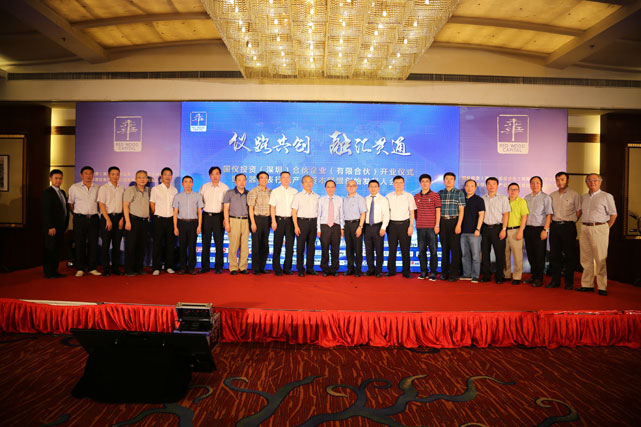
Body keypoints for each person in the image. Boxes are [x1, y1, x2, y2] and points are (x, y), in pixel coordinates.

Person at [576, 173, 617, 296]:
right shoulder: (584, 197)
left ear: (600, 182)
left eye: (595, 180)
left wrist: (606, 228)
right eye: (589, 180)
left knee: (600, 259)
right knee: (585, 259)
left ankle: (602, 286)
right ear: (586, 183)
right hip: (585, 228)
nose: (592, 182)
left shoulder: (606, 196)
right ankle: (587, 285)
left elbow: (613, 214)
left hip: (599, 228)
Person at [548, 172, 582, 289]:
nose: (560, 182)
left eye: (562, 179)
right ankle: (555, 281)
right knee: (554, 255)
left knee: (569, 255)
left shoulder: (575, 194)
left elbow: (579, 211)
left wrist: (572, 221)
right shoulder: (552, 195)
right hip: (554, 226)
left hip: (568, 227)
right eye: (557, 180)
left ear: (567, 180)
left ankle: (569, 282)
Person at [68, 166, 101, 277]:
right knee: (79, 243)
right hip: (79, 219)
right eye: (86, 173)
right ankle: (80, 268)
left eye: (90, 173)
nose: (88, 176)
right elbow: (70, 203)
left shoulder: (98, 188)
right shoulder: (74, 187)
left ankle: (92, 268)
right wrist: (77, 214)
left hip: (94, 218)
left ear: (93, 175)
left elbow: (100, 204)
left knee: (93, 244)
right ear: (81, 175)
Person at [523, 176, 553, 287]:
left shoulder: (546, 198)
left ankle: (539, 278)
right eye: (533, 183)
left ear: (541, 185)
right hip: (528, 228)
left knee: (539, 255)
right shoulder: (526, 198)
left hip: (540, 229)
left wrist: (545, 229)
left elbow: (549, 214)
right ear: (530, 184)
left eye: (537, 183)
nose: (535, 185)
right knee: (530, 254)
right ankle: (534, 275)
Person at [481, 177, 511, 284]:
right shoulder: (482, 198)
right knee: (485, 253)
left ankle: (499, 276)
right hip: (485, 228)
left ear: (497, 185)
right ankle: (486, 275)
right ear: (486, 186)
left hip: (498, 228)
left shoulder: (503, 198)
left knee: (499, 254)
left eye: (494, 184)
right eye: (489, 184)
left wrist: (504, 229)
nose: (491, 186)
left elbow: (506, 214)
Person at [199, 166, 228, 274]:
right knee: (205, 243)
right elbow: (200, 204)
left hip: (219, 217)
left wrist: (225, 219)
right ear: (210, 175)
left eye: (217, 174)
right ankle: (205, 267)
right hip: (206, 216)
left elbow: (226, 205)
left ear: (220, 175)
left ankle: (219, 266)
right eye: (213, 174)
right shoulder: (204, 187)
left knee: (219, 243)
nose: (215, 176)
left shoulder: (225, 188)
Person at [386, 176, 416, 278]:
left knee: (405, 249)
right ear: (393, 184)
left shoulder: (408, 196)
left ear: (403, 184)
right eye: (396, 182)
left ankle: (406, 271)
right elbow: (386, 212)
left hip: (405, 225)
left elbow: (412, 212)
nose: (398, 184)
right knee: (392, 249)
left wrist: (411, 226)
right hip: (391, 225)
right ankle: (391, 270)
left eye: (400, 182)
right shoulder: (388, 196)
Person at [437, 172, 466, 282]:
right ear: (444, 181)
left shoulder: (459, 193)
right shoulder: (440, 193)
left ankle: (454, 274)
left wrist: (459, 225)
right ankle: (444, 273)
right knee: (444, 249)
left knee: (455, 249)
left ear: (454, 181)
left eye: (451, 179)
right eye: (447, 179)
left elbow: (461, 210)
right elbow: (437, 210)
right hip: (443, 222)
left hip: (454, 222)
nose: (449, 181)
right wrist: (438, 224)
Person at [173, 175, 203, 275]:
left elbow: (199, 212)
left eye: (190, 182)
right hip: (181, 223)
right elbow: (175, 213)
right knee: (182, 246)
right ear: (182, 184)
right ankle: (182, 267)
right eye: (186, 182)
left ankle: (191, 268)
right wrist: (175, 227)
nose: (188, 184)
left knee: (192, 246)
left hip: (193, 223)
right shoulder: (178, 196)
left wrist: (199, 225)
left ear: (192, 184)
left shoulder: (197, 196)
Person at [97, 166, 124, 276]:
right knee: (106, 244)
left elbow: (125, 205)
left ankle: (116, 268)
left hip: (119, 218)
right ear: (108, 175)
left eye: (117, 174)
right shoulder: (103, 188)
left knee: (117, 244)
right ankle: (106, 268)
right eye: (113, 174)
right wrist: (107, 219)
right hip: (107, 217)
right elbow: (101, 204)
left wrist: (122, 218)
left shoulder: (122, 189)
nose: (115, 176)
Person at [150, 167, 178, 275]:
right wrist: (157, 214)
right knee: (157, 243)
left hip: (170, 219)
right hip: (159, 219)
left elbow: (175, 206)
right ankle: (156, 267)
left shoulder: (174, 190)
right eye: (165, 174)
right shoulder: (155, 189)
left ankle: (169, 266)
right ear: (161, 176)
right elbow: (152, 204)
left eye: (169, 174)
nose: (167, 177)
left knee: (170, 244)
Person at [269, 171, 298, 276]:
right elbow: (272, 207)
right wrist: (273, 221)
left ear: (290, 179)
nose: (286, 179)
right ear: (280, 179)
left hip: (290, 221)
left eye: (288, 177)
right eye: (283, 177)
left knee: (290, 246)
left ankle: (287, 268)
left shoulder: (295, 192)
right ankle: (277, 268)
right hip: (279, 220)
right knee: (277, 245)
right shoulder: (275, 191)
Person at [42, 169, 69, 278]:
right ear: (50, 179)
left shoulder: (62, 192)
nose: (58, 180)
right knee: (50, 249)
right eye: (56, 178)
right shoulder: (47, 193)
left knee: (57, 249)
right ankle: (48, 272)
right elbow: (46, 211)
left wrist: (65, 225)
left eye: (60, 178)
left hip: (61, 227)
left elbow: (65, 210)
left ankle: (54, 271)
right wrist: (50, 226)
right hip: (52, 227)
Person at [123, 170, 151, 276]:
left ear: (147, 179)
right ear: (135, 179)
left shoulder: (148, 190)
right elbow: (125, 205)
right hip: (133, 221)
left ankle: (139, 268)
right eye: (140, 177)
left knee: (142, 246)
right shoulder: (130, 190)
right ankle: (129, 270)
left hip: (144, 222)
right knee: (131, 246)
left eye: (144, 177)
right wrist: (127, 221)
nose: (142, 179)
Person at [414, 174, 441, 281]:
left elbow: (438, 211)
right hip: (420, 228)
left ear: (430, 183)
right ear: (420, 183)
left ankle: (433, 272)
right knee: (421, 251)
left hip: (432, 228)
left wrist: (437, 225)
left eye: (427, 181)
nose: (425, 183)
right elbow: (414, 213)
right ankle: (423, 271)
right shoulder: (416, 197)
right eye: (423, 181)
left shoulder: (435, 195)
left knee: (433, 251)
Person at [292, 175, 320, 277]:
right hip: (302, 222)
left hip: (313, 223)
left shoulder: (317, 197)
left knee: (311, 247)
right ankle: (300, 268)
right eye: (306, 181)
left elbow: (319, 213)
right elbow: (294, 212)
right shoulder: (298, 196)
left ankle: (310, 268)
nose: (308, 183)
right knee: (300, 247)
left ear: (313, 183)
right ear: (302, 184)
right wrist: (296, 226)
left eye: (310, 181)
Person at [224, 173, 250, 275]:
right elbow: (226, 209)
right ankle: (233, 267)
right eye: (239, 180)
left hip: (246, 221)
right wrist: (227, 223)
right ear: (235, 182)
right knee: (233, 245)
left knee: (245, 245)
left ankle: (243, 267)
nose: (242, 182)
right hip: (233, 220)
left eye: (244, 180)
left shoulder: (248, 194)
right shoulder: (229, 193)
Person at [460, 179, 485, 283]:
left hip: (474, 232)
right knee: (465, 255)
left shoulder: (479, 200)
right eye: (467, 186)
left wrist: (478, 229)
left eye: (472, 186)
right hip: (463, 232)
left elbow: (481, 215)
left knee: (475, 255)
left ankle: (475, 275)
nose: (469, 188)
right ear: (465, 187)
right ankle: (467, 274)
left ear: (475, 188)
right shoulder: (462, 199)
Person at [317, 180, 344, 276]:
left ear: (335, 188)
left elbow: (341, 215)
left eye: (332, 187)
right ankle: (325, 269)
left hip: (336, 226)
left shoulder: (339, 199)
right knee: (324, 249)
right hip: (324, 226)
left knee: (335, 249)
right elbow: (318, 215)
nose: (330, 189)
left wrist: (342, 228)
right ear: (325, 188)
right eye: (328, 187)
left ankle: (334, 269)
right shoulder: (321, 199)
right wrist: (318, 229)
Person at [364, 180, 390, 278]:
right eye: (371, 186)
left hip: (378, 227)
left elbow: (386, 215)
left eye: (375, 186)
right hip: (367, 227)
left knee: (379, 250)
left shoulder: (383, 199)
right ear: (368, 188)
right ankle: (370, 269)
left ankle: (378, 270)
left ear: (379, 188)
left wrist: (383, 227)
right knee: (368, 250)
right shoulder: (365, 199)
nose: (373, 188)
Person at [248, 171, 272, 275]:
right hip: (256, 219)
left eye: (266, 178)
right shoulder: (253, 191)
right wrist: (252, 223)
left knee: (265, 245)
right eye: (262, 178)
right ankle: (256, 268)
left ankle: (262, 267)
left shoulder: (270, 192)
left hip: (267, 220)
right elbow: (250, 208)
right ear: (258, 180)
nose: (264, 179)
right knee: (256, 245)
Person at [504, 183, 529, 285]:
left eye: (515, 189)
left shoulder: (522, 201)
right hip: (504, 230)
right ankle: (506, 274)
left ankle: (517, 276)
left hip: (516, 230)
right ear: (507, 191)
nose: (513, 191)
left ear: (518, 191)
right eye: (511, 189)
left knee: (517, 256)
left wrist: (521, 230)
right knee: (505, 254)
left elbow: (524, 217)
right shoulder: (504, 201)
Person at [342, 180, 367, 277]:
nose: (351, 187)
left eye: (353, 185)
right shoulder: (344, 199)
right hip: (347, 225)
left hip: (356, 224)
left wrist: (360, 226)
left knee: (358, 248)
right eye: (349, 185)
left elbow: (363, 213)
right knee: (349, 248)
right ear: (346, 187)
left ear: (356, 187)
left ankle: (358, 269)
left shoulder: (360, 199)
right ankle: (350, 268)